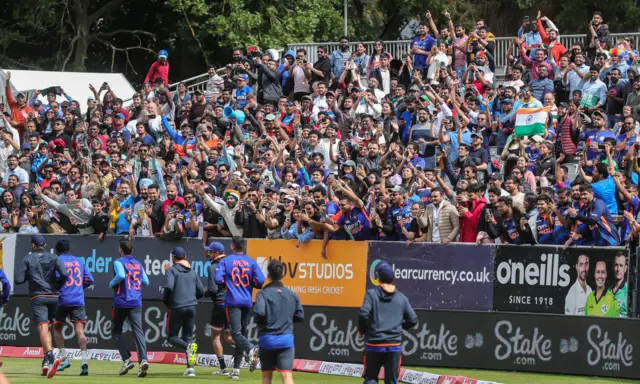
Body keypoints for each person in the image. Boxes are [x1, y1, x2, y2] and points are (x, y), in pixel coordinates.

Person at [14, 235, 68, 378]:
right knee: (50, 328)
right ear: (44, 245)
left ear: (33, 245)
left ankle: (50, 357)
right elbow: (65, 274)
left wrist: (30, 276)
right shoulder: (54, 257)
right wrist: (57, 285)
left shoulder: (27, 259)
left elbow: (18, 280)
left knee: (43, 328)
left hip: (38, 297)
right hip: (54, 296)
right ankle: (46, 362)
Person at [214, 236, 265, 379]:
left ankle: (251, 349)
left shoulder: (225, 261)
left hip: (233, 301)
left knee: (236, 334)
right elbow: (260, 281)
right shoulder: (251, 262)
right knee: (241, 334)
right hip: (247, 302)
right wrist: (250, 284)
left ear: (232, 246)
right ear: (244, 247)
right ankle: (236, 370)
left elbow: (218, 279)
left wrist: (227, 284)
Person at [358, 261, 417, 384]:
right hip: (394, 346)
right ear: (393, 278)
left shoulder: (371, 294)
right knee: (391, 381)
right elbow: (413, 320)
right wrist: (398, 328)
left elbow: (364, 314)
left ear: (378, 278)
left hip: (374, 345)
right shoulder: (401, 298)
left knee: (370, 379)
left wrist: (362, 330)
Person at [253, 260, 304, 384]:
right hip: (286, 339)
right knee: (287, 376)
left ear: (268, 275)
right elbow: (300, 316)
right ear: (282, 275)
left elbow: (259, 313)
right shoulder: (292, 295)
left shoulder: (262, 294)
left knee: (267, 377)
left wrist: (262, 322)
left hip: (267, 340)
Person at [52, 239, 94, 376]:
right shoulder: (79, 261)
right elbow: (90, 280)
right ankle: (84, 360)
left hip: (63, 299)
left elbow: (57, 278)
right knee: (80, 330)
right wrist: (78, 288)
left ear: (58, 250)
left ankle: (64, 358)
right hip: (78, 299)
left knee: (57, 327)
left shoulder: (58, 261)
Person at [110, 239, 150, 377]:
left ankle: (126, 359)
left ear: (121, 249)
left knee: (116, 331)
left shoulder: (118, 262)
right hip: (136, 301)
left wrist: (112, 283)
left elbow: (120, 275)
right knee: (138, 331)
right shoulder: (138, 264)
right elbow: (146, 281)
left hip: (121, 301)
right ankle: (143, 359)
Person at [163, 246, 204, 377]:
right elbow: (201, 291)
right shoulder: (192, 271)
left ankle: (187, 347)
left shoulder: (171, 270)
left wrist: (167, 302)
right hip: (192, 307)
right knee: (188, 336)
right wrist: (191, 299)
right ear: (185, 257)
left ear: (174, 258)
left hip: (177, 306)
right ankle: (190, 369)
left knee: (171, 336)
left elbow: (169, 287)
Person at [204, 242, 234, 376]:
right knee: (229, 337)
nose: (208, 254)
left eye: (210, 251)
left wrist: (201, 292)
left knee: (215, 336)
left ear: (216, 253)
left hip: (220, 304)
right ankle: (250, 349)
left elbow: (212, 290)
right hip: (232, 304)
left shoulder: (212, 267)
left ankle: (223, 368)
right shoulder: (230, 264)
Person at [612, 251, 628, 317]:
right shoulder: (607, 291)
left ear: (625, 268)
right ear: (613, 267)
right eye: (616, 265)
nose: (618, 269)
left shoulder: (628, 291)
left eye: (621, 265)